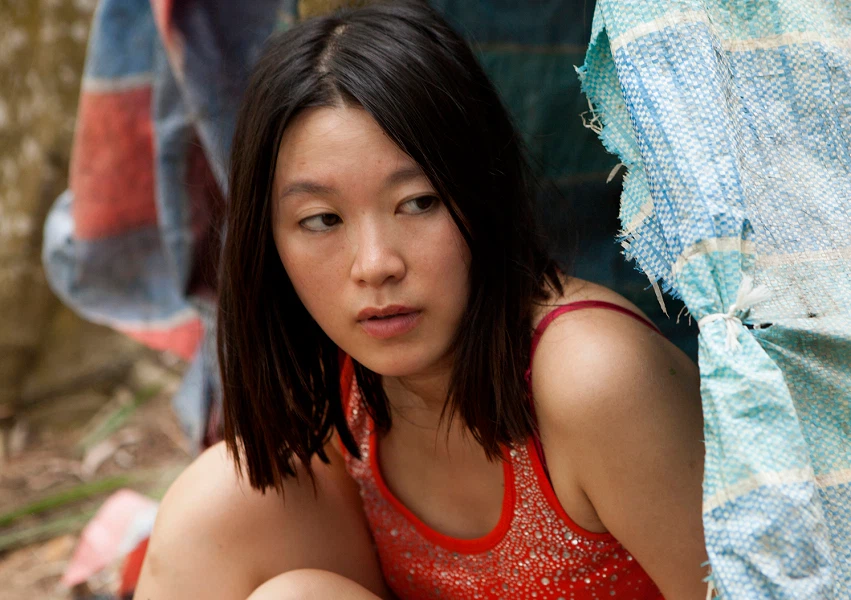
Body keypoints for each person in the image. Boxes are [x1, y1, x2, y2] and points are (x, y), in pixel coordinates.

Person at [134, 2, 707, 599]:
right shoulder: (340, 373)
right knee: (217, 508)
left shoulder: (595, 377)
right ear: (268, 241)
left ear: (481, 191)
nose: (376, 265)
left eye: (418, 202)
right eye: (322, 219)